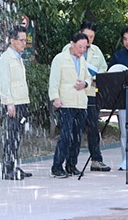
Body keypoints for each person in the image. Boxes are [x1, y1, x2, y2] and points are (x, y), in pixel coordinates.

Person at [61, 21, 110, 172]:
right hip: (73, 95)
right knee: (74, 131)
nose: (89, 41)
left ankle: (96, 159)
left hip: (91, 93)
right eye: (86, 36)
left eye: (92, 37)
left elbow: (103, 69)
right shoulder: (67, 50)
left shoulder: (96, 51)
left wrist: (93, 79)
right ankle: (68, 163)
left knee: (93, 127)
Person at [49, 32, 92, 178]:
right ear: (72, 44)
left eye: (85, 47)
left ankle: (71, 165)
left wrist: (85, 83)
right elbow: (54, 80)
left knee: (77, 137)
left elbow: (88, 77)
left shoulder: (83, 60)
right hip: (66, 103)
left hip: (80, 103)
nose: (82, 50)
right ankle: (57, 166)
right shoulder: (60, 59)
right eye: (80, 47)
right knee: (66, 136)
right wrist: (55, 98)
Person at [0, 25, 32, 180]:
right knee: (11, 136)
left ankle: (14, 165)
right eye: (21, 40)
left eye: (25, 40)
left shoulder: (18, 57)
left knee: (18, 136)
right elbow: (4, 83)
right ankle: (7, 169)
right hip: (13, 103)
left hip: (21, 101)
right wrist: (9, 103)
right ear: (12, 41)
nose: (24, 43)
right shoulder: (6, 58)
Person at [107, 26, 128, 170]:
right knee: (124, 129)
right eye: (125, 39)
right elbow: (111, 75)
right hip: (123, 98)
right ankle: (126, 159)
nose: (127, 42)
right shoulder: (118, 56)